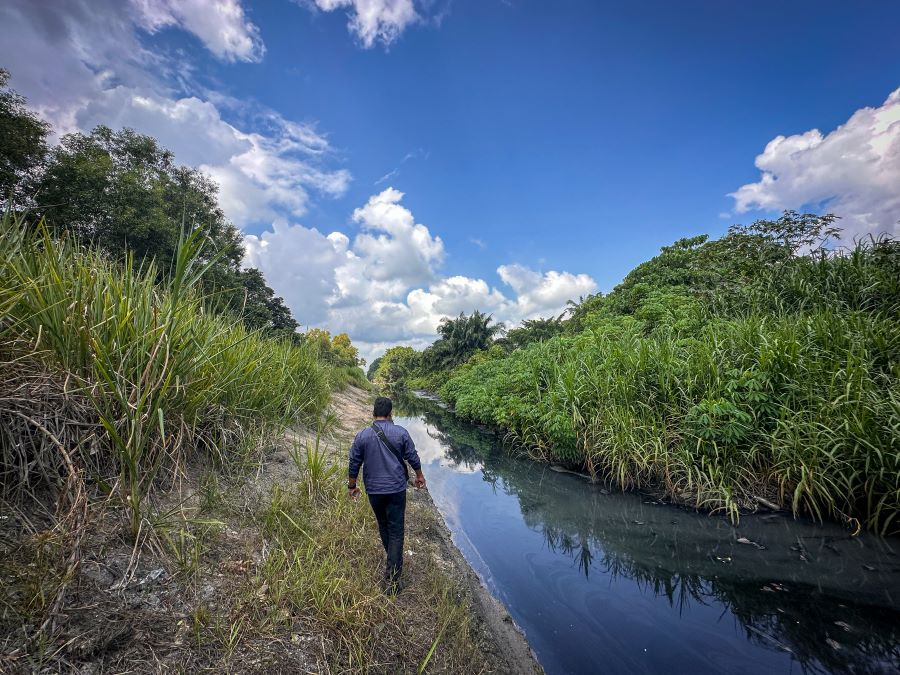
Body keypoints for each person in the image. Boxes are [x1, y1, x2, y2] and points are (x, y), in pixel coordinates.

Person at [348, 396, 426, 593]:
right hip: (396, 489)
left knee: (384, 525)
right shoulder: (401, 432)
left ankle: (393, 561)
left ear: (373, 413)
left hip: (374, 490)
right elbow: (412, 456)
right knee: (396, 530)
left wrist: (352, 486)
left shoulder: (362, 435)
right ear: (391, 414)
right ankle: (392, 579)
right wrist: (419, 476)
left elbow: (354, 462)